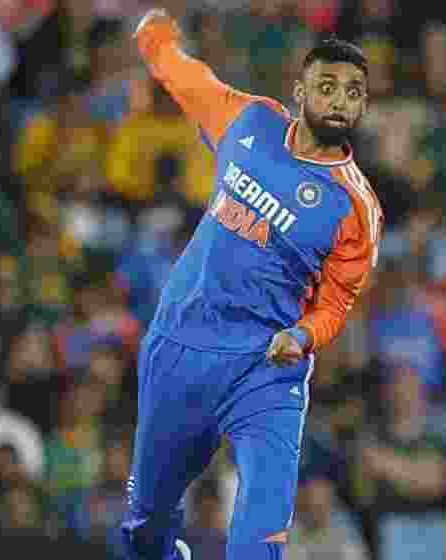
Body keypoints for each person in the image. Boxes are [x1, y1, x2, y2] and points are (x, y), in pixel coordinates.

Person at [122, 8, 383, 560]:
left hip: (266, 369)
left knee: (257, 543)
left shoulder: (356, 207)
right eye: (327, 86)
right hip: (180, 347)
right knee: (145, 531)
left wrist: (306, 335)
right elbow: (185, 78)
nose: (340, 100)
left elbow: (337, 302)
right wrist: (154, 35)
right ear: (299, 92)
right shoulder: (249, 122)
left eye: (354, 91)